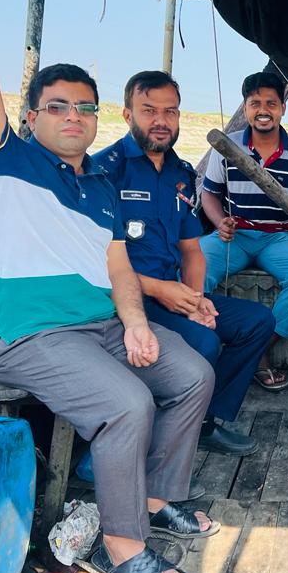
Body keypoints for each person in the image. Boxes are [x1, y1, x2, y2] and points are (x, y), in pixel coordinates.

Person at [0, 0, 215, 573]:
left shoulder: (100, 185)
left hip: (99, 325)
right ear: (31, 115)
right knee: (127, 403)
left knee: (192, 374)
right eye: (58, 106)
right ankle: (126, 548)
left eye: (85, 108)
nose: (74, 116)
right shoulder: (1, 159)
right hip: (26, 334)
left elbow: (119, 266)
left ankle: (156, 497)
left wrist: (135, 322)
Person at [93, 70, 274, 457]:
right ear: (127, 115)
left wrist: (196, 300)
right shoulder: (104, 171)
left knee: (256, 321)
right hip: (122, 302)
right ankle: (167, 433)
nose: (161, 121)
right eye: (149, 110)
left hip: (172, 292)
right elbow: (93, 263)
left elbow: (191, 250)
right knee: (203, 342)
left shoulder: (181, 173)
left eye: (170, 111)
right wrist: (164, 291)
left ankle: (204, 419)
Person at [199, 72, 288, 391]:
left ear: (283, 108)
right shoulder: (226, 147)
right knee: (193, 268)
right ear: (245, 108)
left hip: (280, 237)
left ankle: (258, 350)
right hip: (235, 235)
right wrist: (220, 222)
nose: (263, 110)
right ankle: (200, 346)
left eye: (271, 103)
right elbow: (209, 195)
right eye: (255, 103)